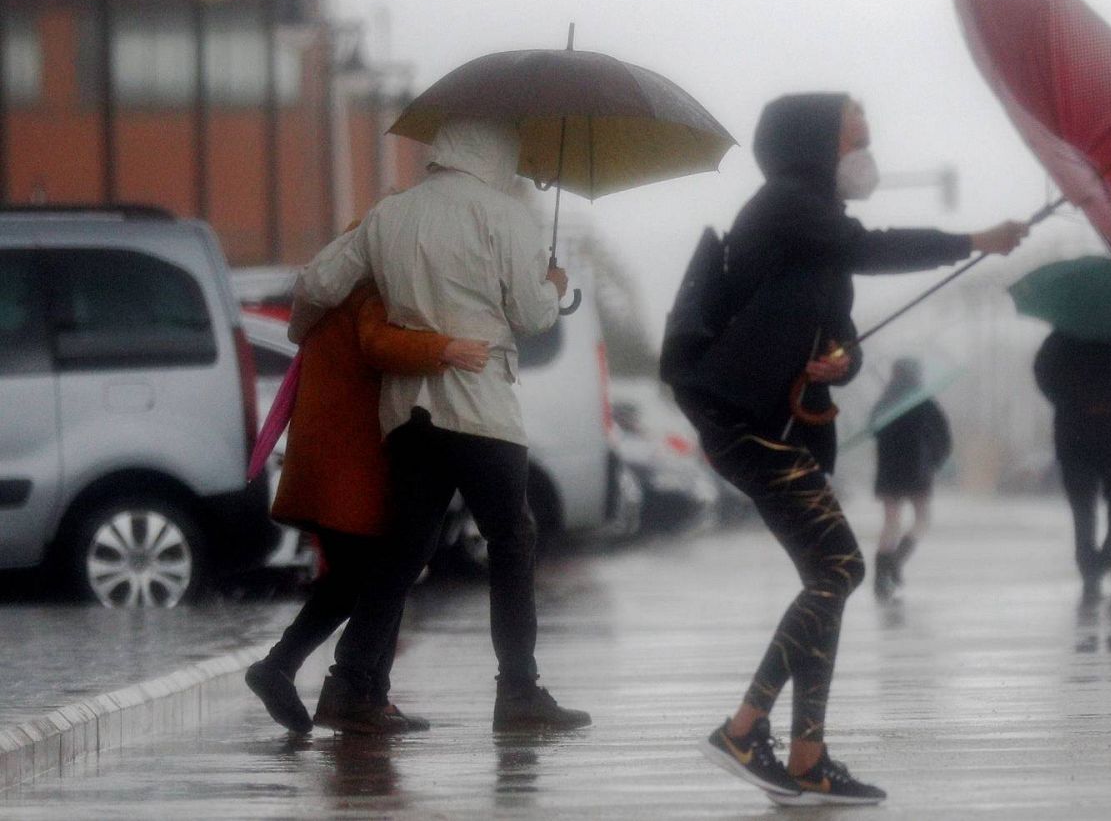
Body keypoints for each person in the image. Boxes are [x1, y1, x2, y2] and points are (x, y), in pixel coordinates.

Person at [663, 93, 1028, 805]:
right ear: (813, 148)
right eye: (853, 142)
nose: (865, 158)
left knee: (827, 581)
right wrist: (972, 239)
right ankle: (744, 729)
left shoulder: (816, 228)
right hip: (746, 422)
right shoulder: (786, 207)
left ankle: (807, 759)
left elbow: (841, 335)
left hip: (780, 423)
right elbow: (870, 245)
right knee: (840, 567)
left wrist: (839, 362)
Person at [288, 116, 590, 734]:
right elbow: (532, 316)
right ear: (497, 153)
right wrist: (553, 286)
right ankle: (519, 692)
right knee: (511, 542)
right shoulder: (504, 215)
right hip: (481, 407)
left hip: (407, 409)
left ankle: (349, 686)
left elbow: (318, 281)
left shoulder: (390, 213)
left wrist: (302, 335)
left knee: (402, 553)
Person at [246, 279, 490, 735]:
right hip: (347, 461)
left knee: (371, 576)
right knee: (372, 576)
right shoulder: (370, 284)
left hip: (340, 457)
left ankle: (363, 694)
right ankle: (291, 670)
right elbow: (379, 344)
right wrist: (446, 349)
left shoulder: (344, 281)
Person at [1032, 331, 1111, 601]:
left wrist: (1068, 398)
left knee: (1083, 504)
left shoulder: (1062, 337)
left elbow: (1043, 376)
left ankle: (1090, 565)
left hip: (1076, 428)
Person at [869, 357, 952, 601]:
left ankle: (881, 576)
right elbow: (943, 436)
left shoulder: (884, 402)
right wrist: (934, 461)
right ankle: (896, 561)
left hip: (889, 471)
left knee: (891, 521)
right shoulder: (924, 402)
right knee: (922, 518)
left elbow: (873, 429)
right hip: (918, 469)